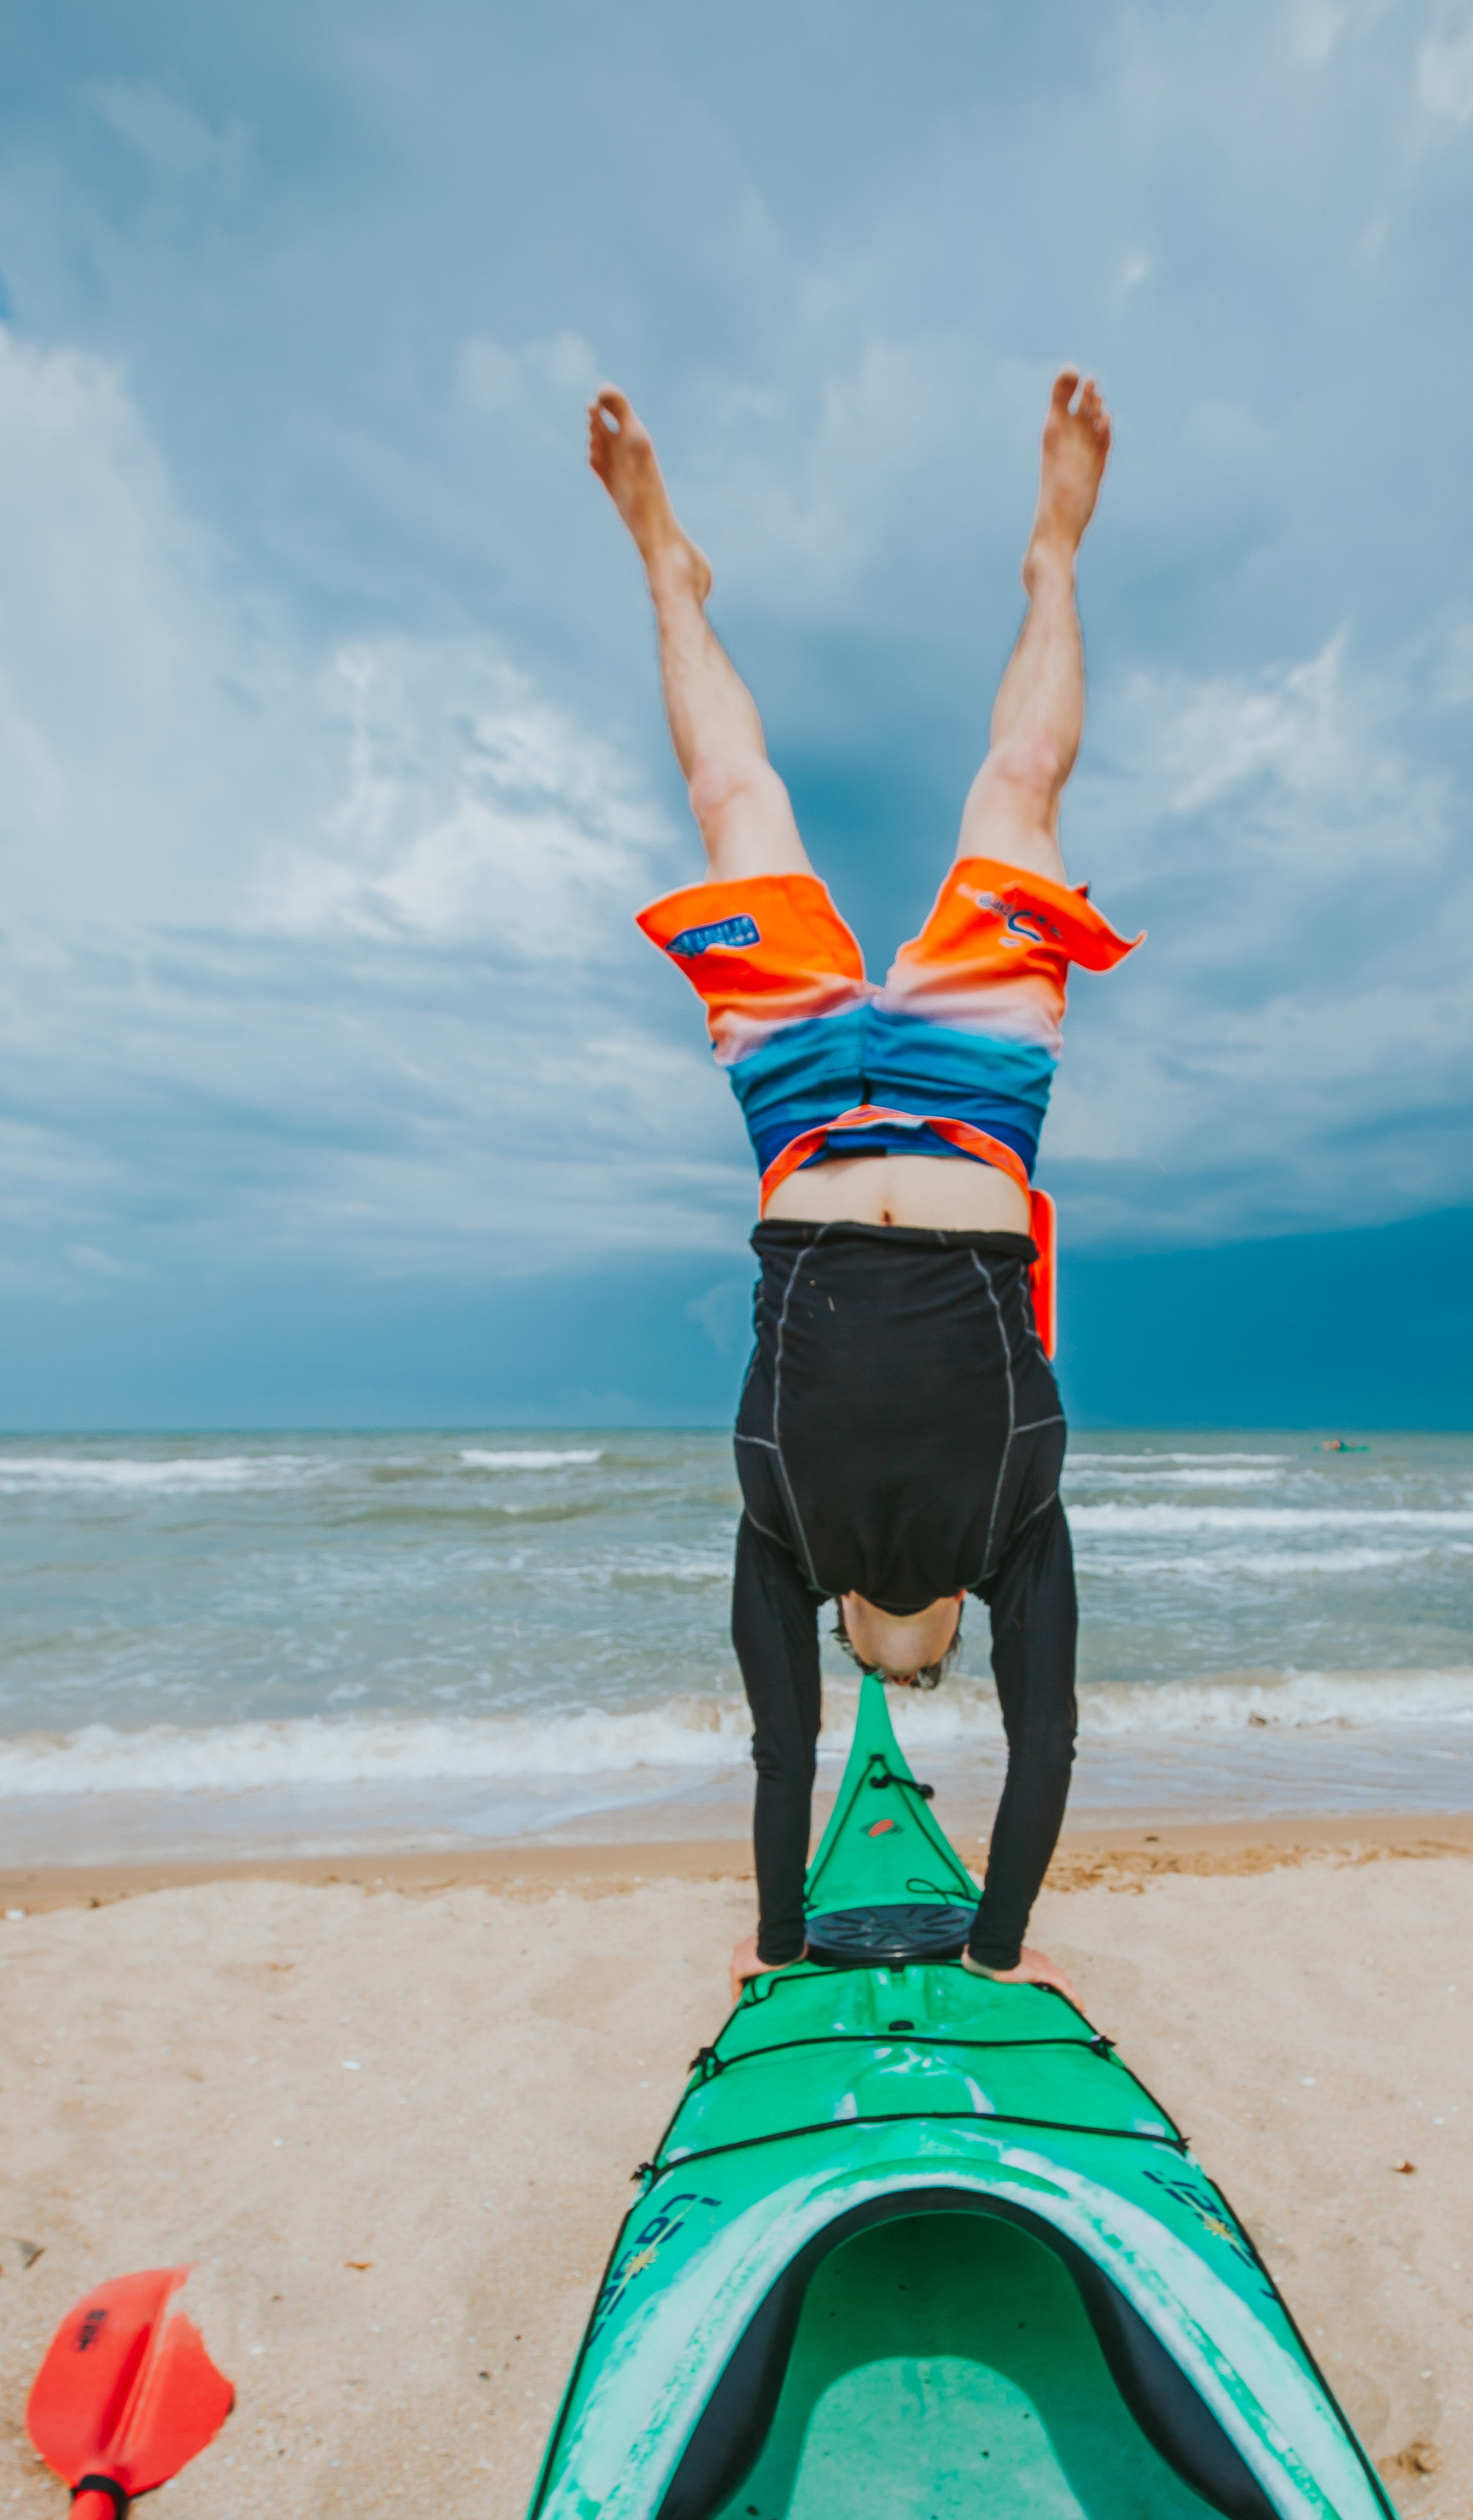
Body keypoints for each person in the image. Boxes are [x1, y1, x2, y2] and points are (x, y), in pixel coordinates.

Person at [588, 370, 1138, 1992]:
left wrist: (778, 1951)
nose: (909, 1662)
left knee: (734, 802)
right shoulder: (1016, 1531)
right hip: (977, 1118)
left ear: (848, 1639)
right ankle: (1055, 557)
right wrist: (993, 1954)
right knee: (1022, 791)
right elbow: (1051, 1751)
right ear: (961, 1634)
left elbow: (781, 1763)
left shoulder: (791, 1543)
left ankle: (665, 573)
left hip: (809, 1124)